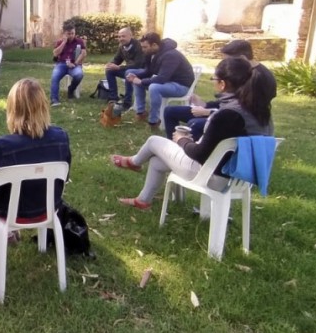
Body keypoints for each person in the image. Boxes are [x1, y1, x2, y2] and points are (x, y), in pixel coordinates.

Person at [111, 57, 273, 209]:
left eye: (214, 80)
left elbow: (200, 154)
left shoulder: (228, 114)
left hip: (213, 176)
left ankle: (134, 162)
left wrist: (182, 140)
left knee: (154, 141)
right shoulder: (259, 109)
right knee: (156, 161)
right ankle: (143, 201)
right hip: (239, 177)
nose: (214, 83)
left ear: (222, 84)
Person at [0, 78, 72, 241]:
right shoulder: (61, 138)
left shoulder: (4, 145)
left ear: (13, 109)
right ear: (44, 105)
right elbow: (64, 178)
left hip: (11, 213)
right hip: (48, 208)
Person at [163, 39, 277, 139]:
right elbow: (230, 99)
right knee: (170, 111)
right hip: (224, 112)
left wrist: (209, 112)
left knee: (195, 124)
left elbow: (242, 112)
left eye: (228, 60)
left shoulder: (260, 78)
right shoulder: (239, 72)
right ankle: (173, 148)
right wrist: (206, 105)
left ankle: (191, 156)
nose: (225, 63)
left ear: (242, 58)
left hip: (237, 123)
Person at [126, 33, 194, 127]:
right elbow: (149, 72)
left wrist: (141, 81)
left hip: (181, 86)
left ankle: (154, 121)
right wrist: (136, 77)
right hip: (167, 82)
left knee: (154, 87)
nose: (143, 49)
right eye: (142, 47)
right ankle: (140, 113)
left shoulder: (171, 55)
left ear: (154, 45)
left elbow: (162, 78)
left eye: (145, 47)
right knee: (137, 81)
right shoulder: (150, 53)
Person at [103, 27, 145, 108]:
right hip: (129, 70)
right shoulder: (122, 46)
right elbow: (117, 59)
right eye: (119, 37)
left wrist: (119, 68)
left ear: (130, 36)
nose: (121, 39)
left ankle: (127, 102)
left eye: (123, 36)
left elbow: (138, 65)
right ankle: (113, 97)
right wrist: (111, 64)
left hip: (141, 71)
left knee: (128, 73)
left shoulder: (138, 46)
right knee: (109, 71)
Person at [50, 23, 87, 106]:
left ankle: (71, 89)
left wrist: (75, 63)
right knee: (55, 77)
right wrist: (64, 42)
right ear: (64, 34)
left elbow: (83, 53)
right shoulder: (60, 42)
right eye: (68, 34)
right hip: (62, 64)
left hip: (74, 64)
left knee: (79, 74)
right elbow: (55, 54)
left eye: (73, 33)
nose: (71, 35)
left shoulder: (79, 41)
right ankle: (54, 99)